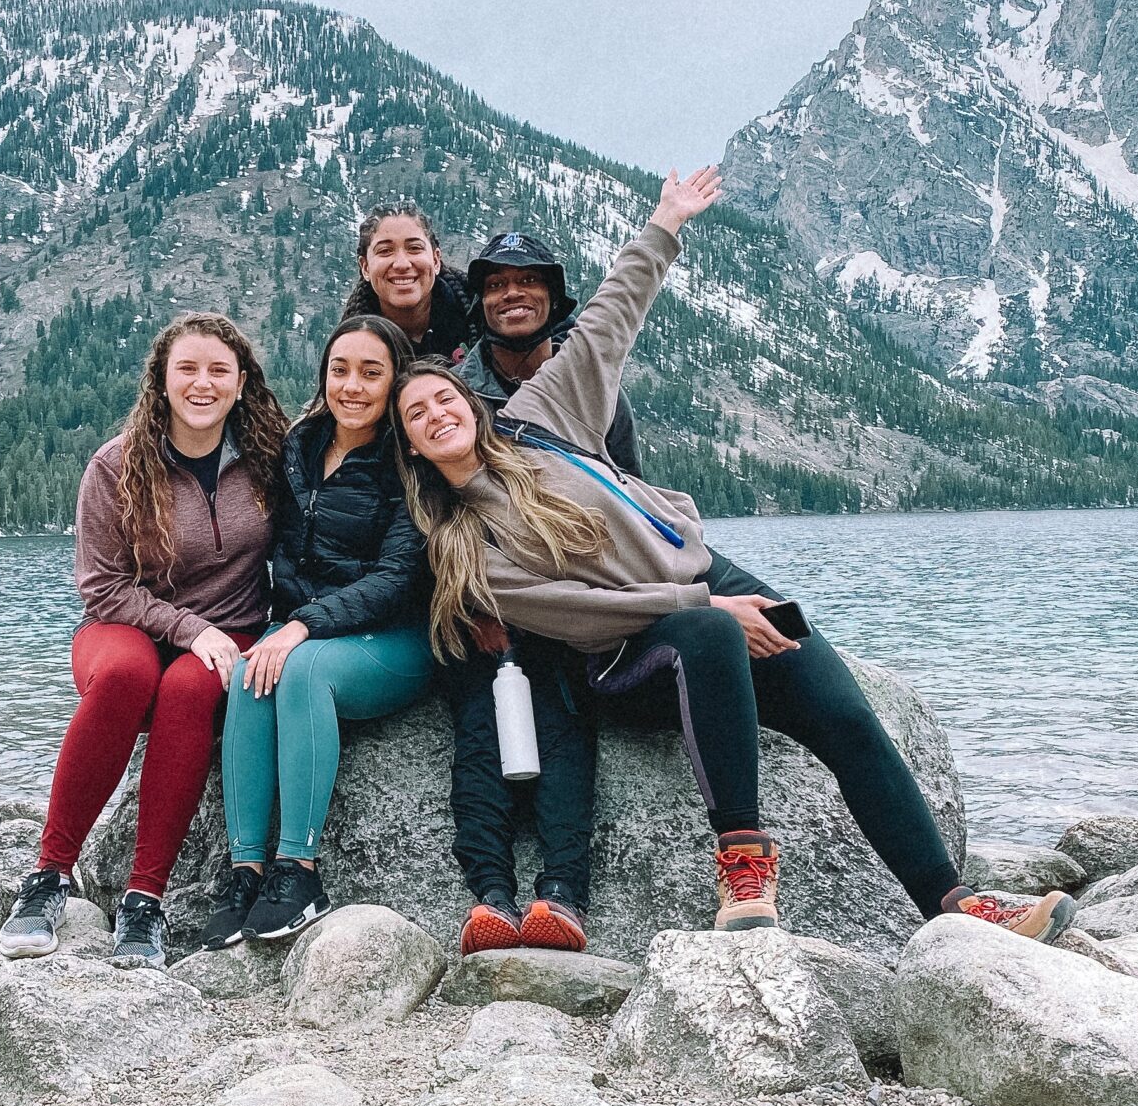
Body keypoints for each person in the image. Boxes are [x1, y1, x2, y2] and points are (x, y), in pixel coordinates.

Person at [392, 165, 1076, 953]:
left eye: (445, 398)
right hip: (625, 649)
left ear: (469, 406)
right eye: (418, 413)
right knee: (718, 637)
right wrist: (706, 609)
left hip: (702, 575)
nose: (439, 411)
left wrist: (666, 224)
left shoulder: (541, 413)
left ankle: (950, 899)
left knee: (840, 706)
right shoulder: (462, 544)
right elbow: (578, 612)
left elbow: (613, 318)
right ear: (410, 443)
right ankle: (742, 867)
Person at [0, 314, 288, 970]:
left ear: (241, 384)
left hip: (229, 632)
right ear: (162, 378)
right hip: (122, 628)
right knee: (129, 679)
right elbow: (101, 587)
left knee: (187, 691)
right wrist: (189, 628)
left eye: (219, 370)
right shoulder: (117, 464)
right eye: (187, 368)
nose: (203, 383)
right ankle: (48, 877)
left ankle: (144, 903)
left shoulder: (270, 460)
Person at [203, 314, 432, 949]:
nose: (352, 386)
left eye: (371, 373)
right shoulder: (300, 445)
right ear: (323, 374)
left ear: (394, 383)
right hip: (306, 627)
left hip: (393, 639)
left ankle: (298, 872)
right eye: (340, 369)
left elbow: (395, 579)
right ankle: (246, 869)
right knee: (251, 672)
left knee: (297, 670)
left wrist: (302, 625)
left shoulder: (410, 460)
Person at [458, 231, 643, 477]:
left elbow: (632, 487)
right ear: (480, 304)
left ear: (554, 298)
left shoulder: (595, 388)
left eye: (529, 280)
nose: (512, 293)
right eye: (495, 284)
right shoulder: (453, 393)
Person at [342, 204, 473, 363]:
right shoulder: (351, 344)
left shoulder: (479, 319)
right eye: (385, 251)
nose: (402, 264)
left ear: (436, 260)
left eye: (414, 248)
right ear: (365, 267)